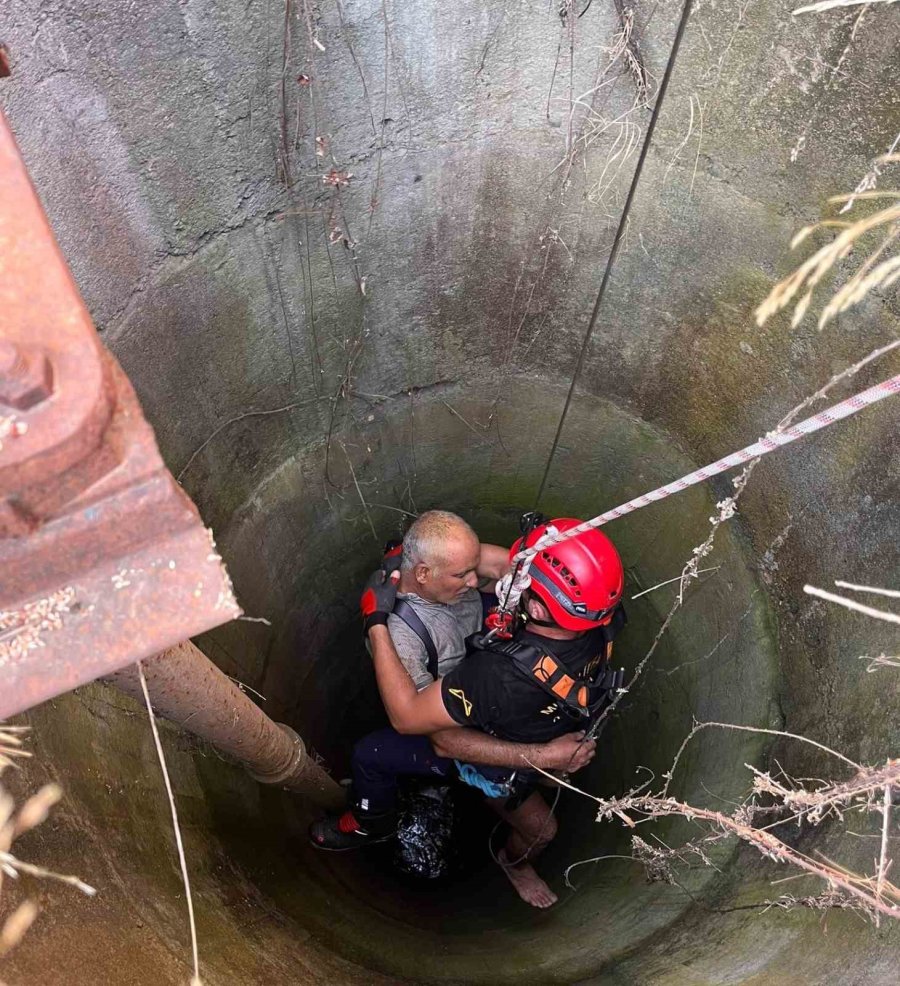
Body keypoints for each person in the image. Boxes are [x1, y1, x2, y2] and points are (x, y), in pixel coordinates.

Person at [312, 512, 626, 909]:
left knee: (371, 755)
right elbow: (432, 731)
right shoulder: (596, 619)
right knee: (371, 754)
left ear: (542, 610)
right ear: (425, 572)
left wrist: (373, 620)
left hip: (492, 714)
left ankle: (510, 851)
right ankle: (373, 823)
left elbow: (416, 722)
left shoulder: (496, 673)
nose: (478, 580)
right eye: (463, 573)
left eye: (471, 570)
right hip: (493, 712)